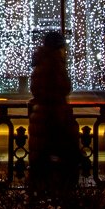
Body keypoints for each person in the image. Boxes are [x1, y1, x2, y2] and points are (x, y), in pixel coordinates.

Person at [27, 31, 81, 194]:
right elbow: (62, 88)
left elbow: (37, 90)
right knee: (67, 162)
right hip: (53, 119)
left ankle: (38, 199)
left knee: (41, 164)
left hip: (41, 117)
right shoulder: (54, 64)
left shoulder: (41, 63)